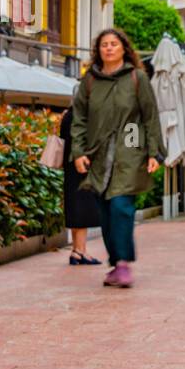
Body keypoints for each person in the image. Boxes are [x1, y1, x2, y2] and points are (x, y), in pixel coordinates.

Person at [70, 28, 164, 288]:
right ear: (98, 51)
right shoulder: (89, 81)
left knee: (121, 207)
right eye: (104, 45)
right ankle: (115, 262)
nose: (109, 48)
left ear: (124, 48)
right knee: (106, 213)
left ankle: (123, 264)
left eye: (114, 44)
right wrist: (78, 151)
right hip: (97, 156)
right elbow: (79, 119)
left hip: (129, 152)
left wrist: (154, 152)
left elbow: (150, 117)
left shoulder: (137, 78)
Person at [58, 107, 102, 264]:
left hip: (70, 168)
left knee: (74, 207)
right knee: (83, 207)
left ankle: (76, 251)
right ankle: (80, 251)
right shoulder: (82, 117)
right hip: (82, 167)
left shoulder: (67, 116)